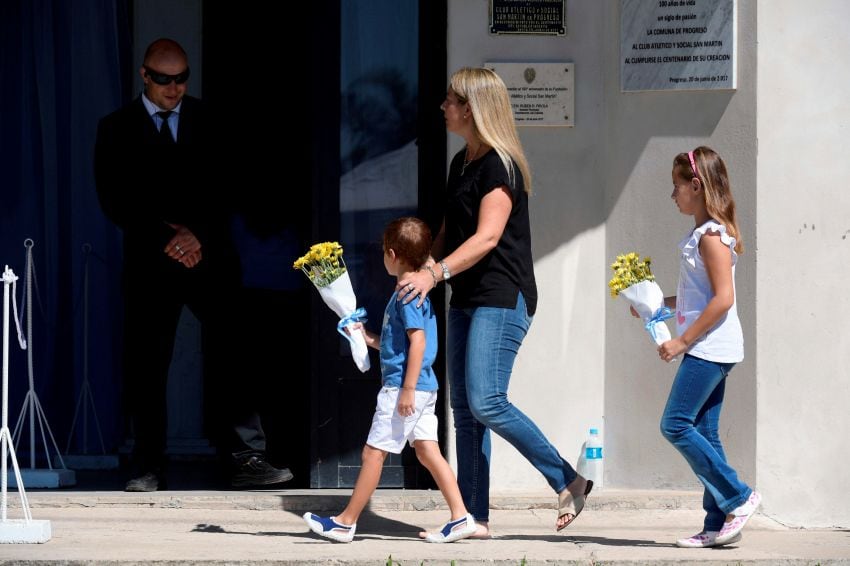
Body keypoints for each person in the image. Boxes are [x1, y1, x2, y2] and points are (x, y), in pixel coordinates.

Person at [396, 67, 591, 537]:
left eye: (450, 100)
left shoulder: (500, 166)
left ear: (473, 107)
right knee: (464, 412)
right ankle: (473, 517)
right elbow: (451, 231)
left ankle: (568, 480)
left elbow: (486, 238)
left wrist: (435, 273)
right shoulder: (461, 161)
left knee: (486, 401)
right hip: (465, 296)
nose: (442, 107)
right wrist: (420, 268)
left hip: (503, 296)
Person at [94, 38, 293, 492]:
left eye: (182, 77)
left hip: (211, 257)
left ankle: (247, 458)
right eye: (164, 78)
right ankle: (147, 464)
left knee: (235, 354)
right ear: (144, 75)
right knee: (147, 363)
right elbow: (114, 198)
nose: (174, 87)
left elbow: (233, 185)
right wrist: (170, 237)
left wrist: (196, 233)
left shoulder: (211, 119)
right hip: (150, 261)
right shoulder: (116, 127)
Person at [303, 217, 477, 544]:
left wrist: (407, 390)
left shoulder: (407, 293)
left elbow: (419, 342)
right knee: (426, 451)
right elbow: (401, 345)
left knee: (373, 454)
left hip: (404, 387)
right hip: (424, 386)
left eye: (383, 251)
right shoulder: (414, 290)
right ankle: (461, 517)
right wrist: (368, 339)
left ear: (392, 254)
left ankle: (345, 522)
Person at [644, 146, 760, 547]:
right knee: (706, 434)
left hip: (709, 348)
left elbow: (723, 298)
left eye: (676, 186)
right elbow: (699, 296)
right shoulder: (703, 234)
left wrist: (681, 341)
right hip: (714, 347)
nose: (673, 195)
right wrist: (657, 306)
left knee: (675, 424)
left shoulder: (710, 236)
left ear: (696, 185)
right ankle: (717, 523)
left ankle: (739, 496)